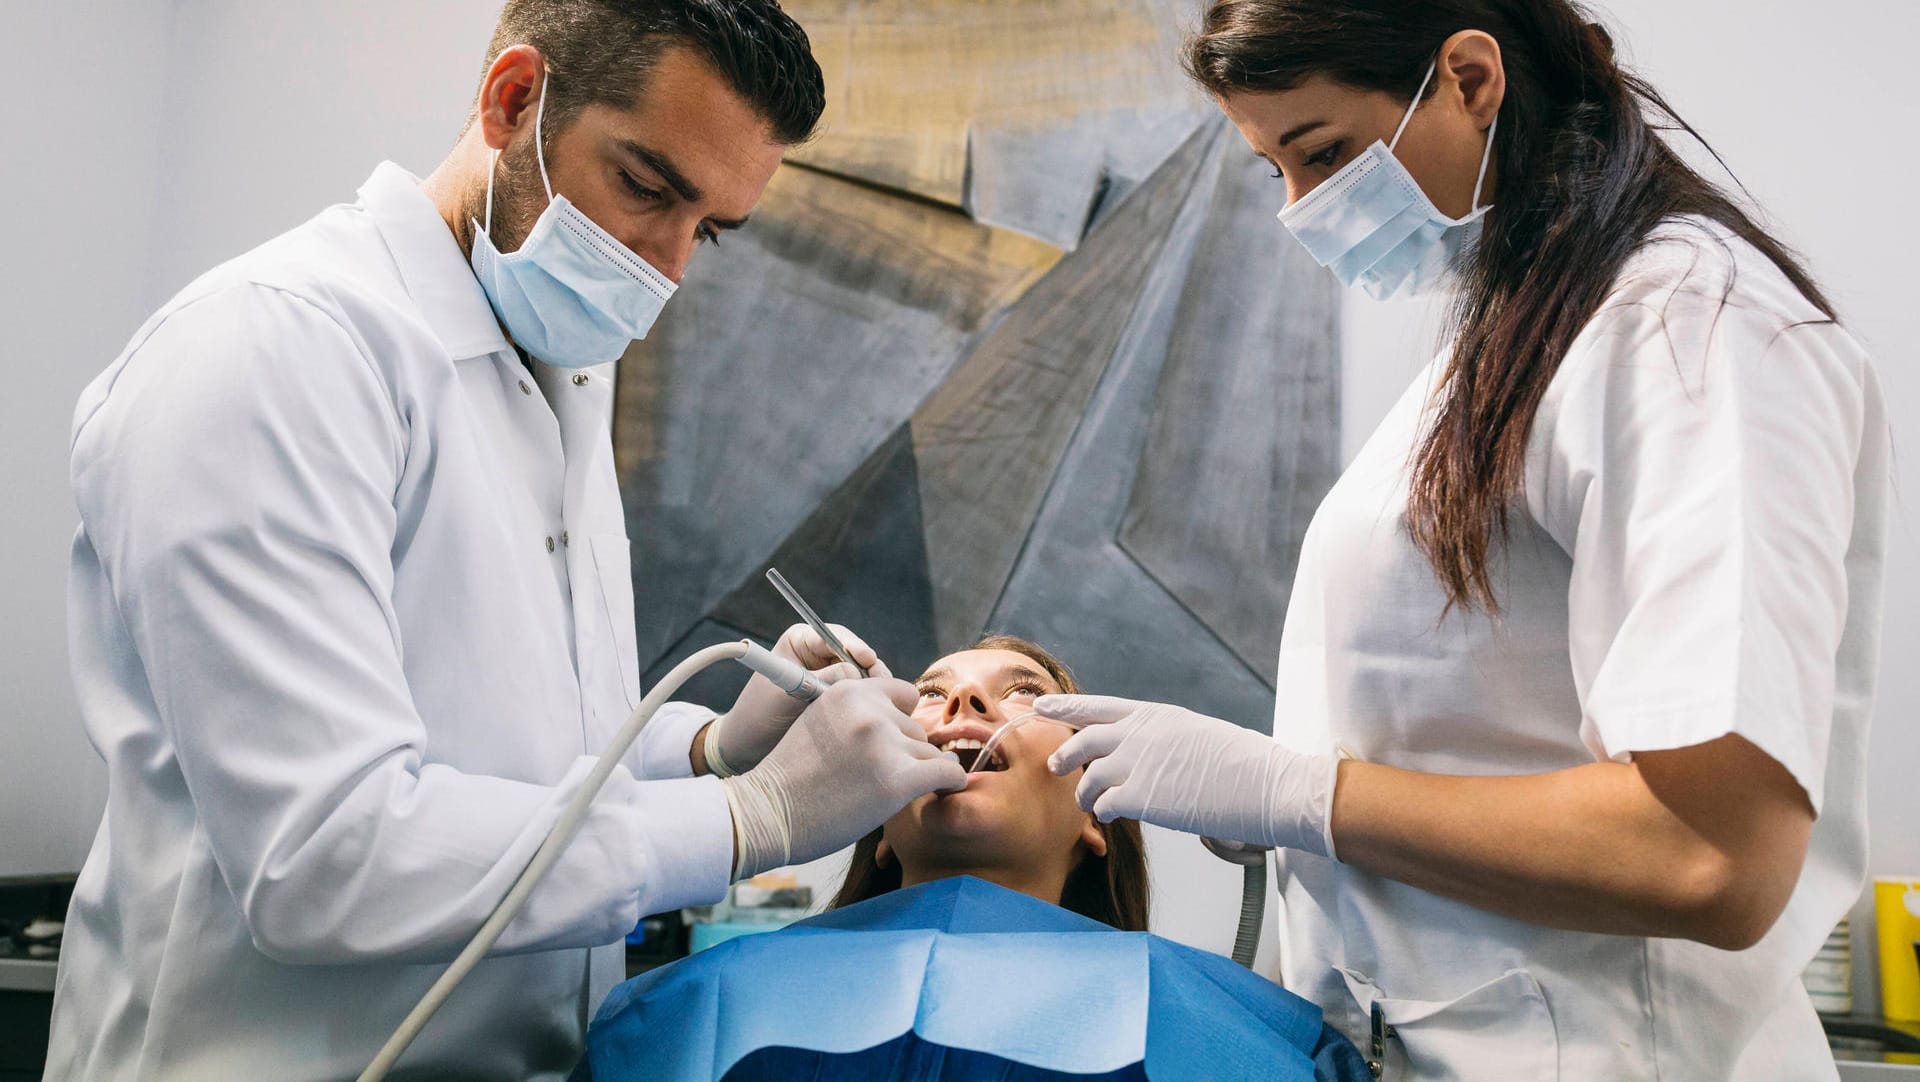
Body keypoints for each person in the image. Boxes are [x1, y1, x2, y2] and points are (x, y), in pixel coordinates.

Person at [49, 2, 963, 1078]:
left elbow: (514, 759)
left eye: (707, 229)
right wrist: (751, 815)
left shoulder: (556, 368)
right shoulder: (276, 351)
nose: (665, 269)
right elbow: (326, 853)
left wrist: (710, 748)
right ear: (513, 99)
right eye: (646, 187)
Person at [1038, 1, 1890, 1078]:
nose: (1302, 210)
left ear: (1471, 79)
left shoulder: (1689, 327)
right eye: (1275, 171)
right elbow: (1483, 721)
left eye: (1326, 152)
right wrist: (1307, 806)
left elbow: (1712, 853)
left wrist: (1298, 794)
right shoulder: (1515, 332)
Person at [574, 637, 1370, 1081]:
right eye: (929, 691)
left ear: (1098, 815)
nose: (962, 705)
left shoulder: (1255, 1047)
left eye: (1022, 692)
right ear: (877, 827)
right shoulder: (682, 1013)